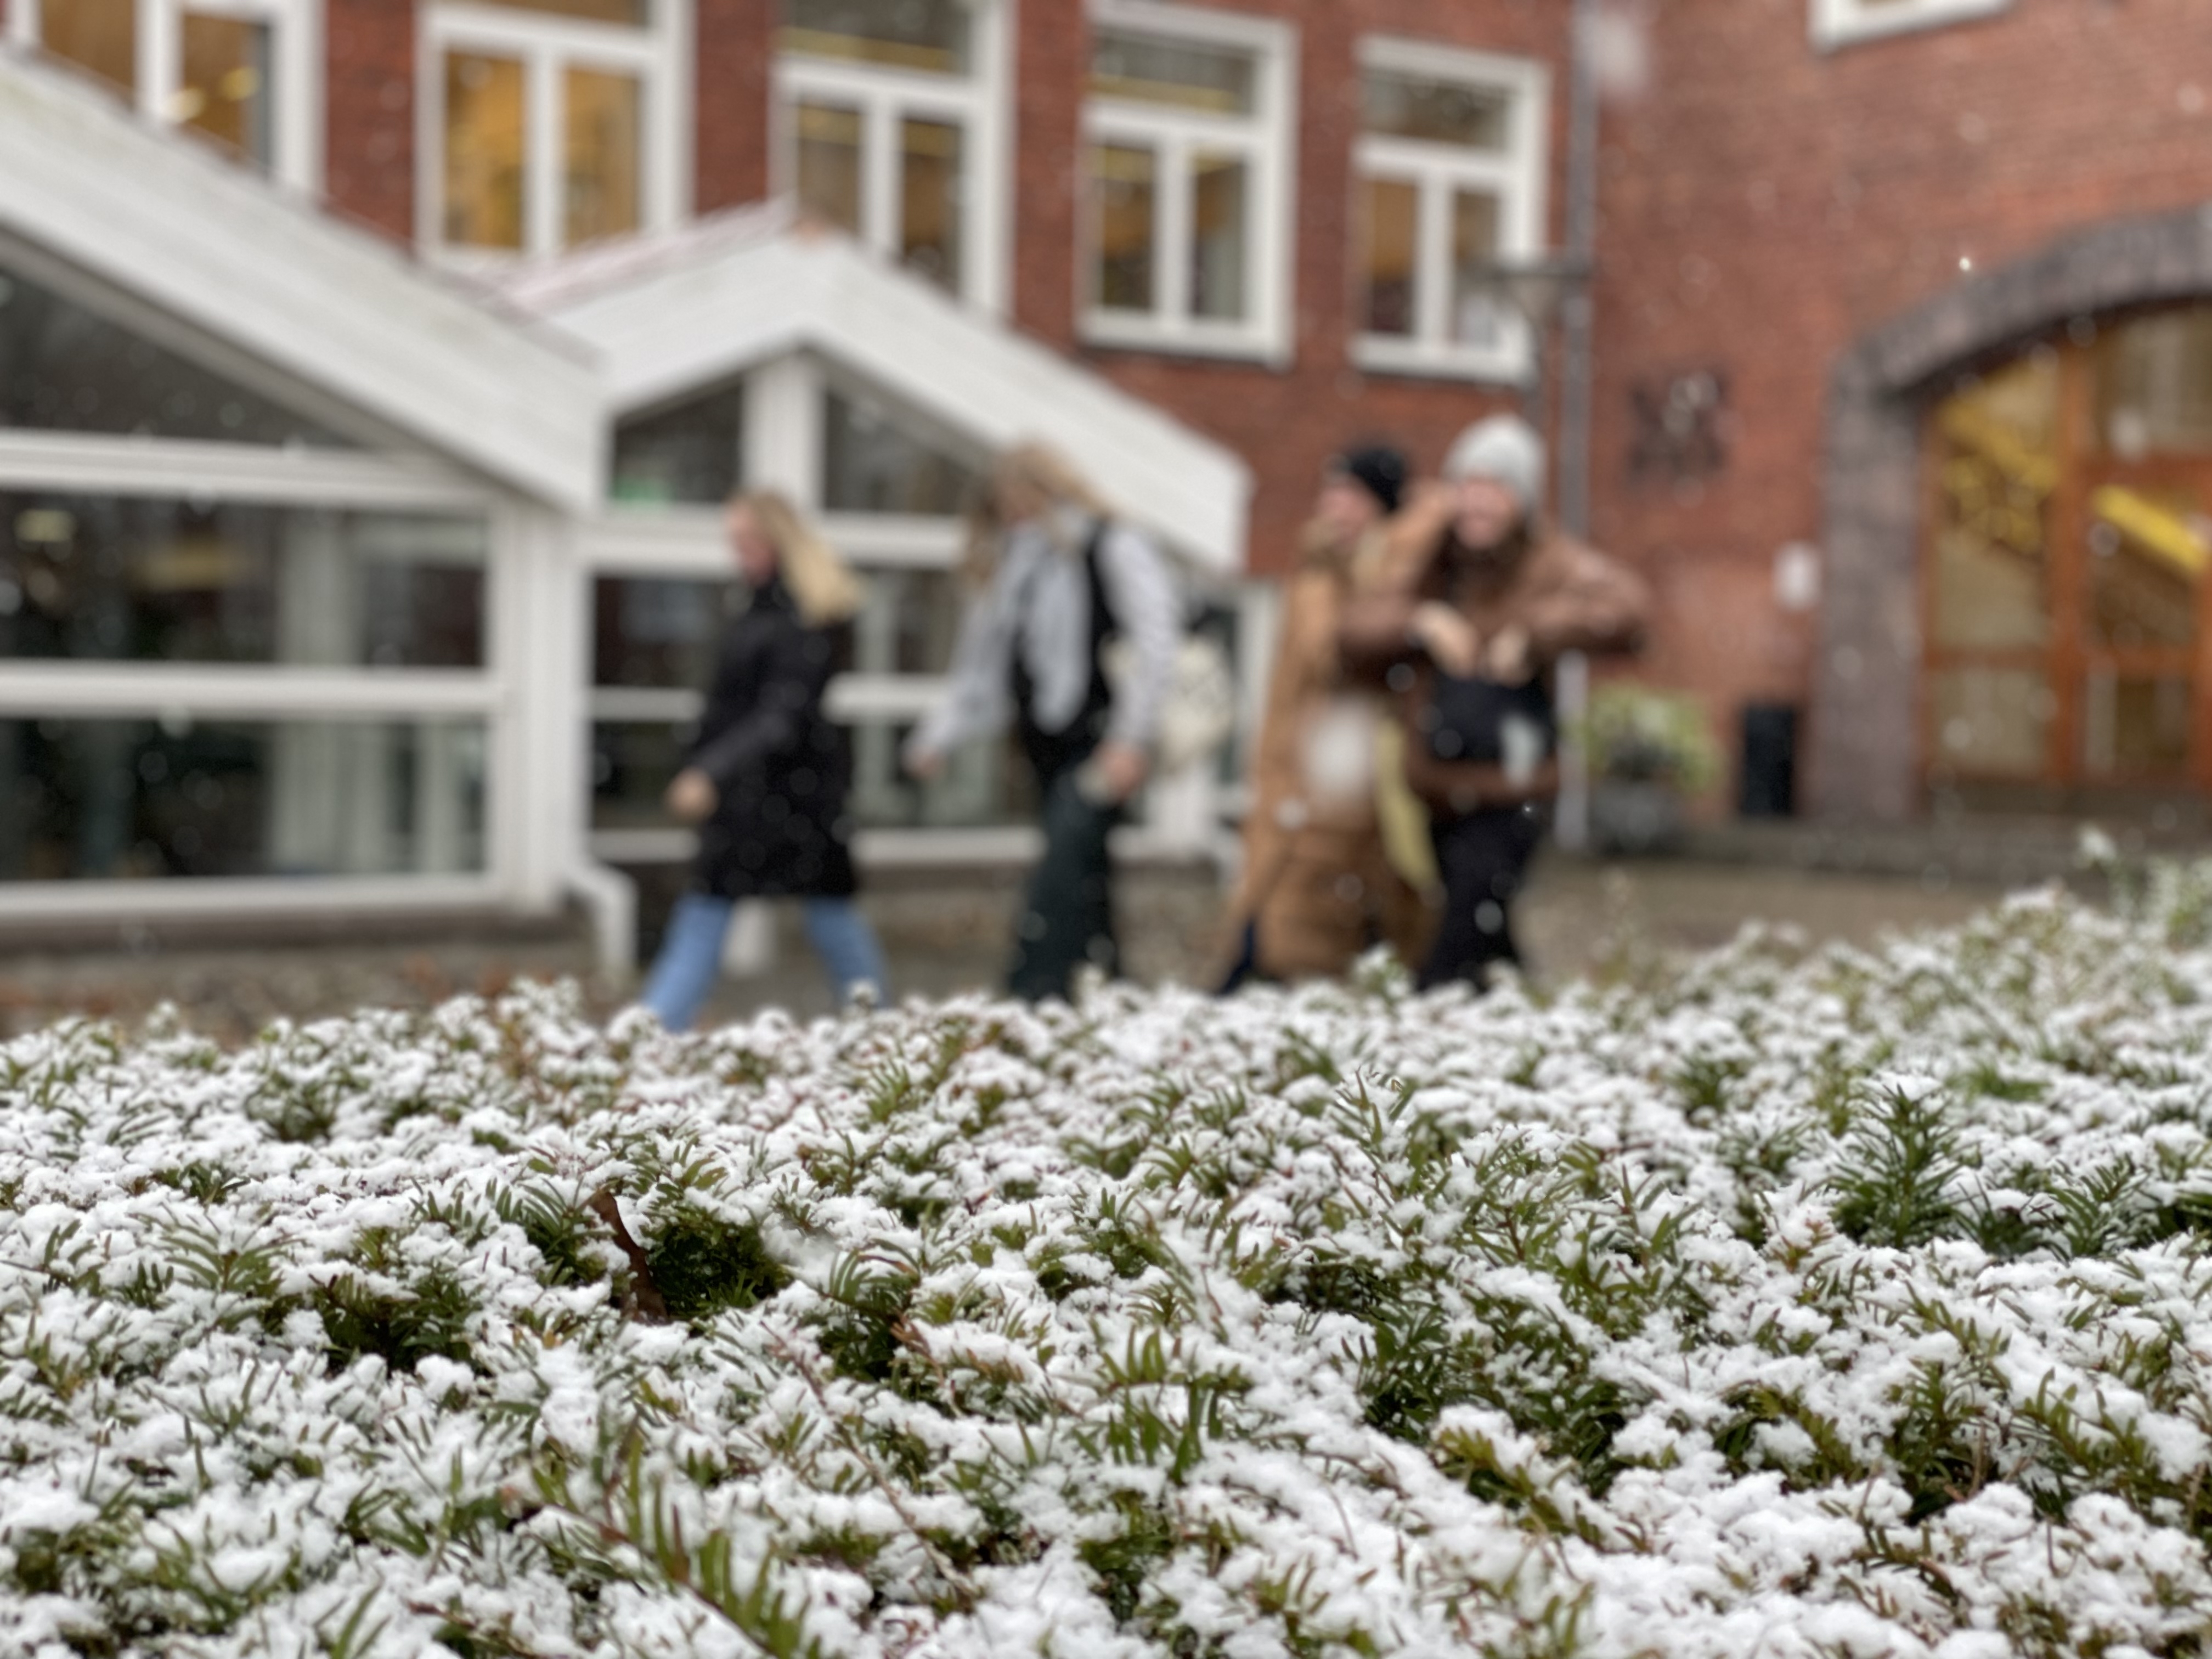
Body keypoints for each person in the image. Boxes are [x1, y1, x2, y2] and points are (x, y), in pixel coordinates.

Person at [1341, 414, 1649, 991]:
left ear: (1522, 500)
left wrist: (1534, 635)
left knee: (1457, 941)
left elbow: (1629, 610)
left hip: (1514, 788)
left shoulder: (1551, 561)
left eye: (1497, 486)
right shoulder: (1434, 562)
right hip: (1438, 780)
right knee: (1487, 936)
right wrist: (1421, 622)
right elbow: (1355, 628)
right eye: (1470, 484)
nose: (1480, 500)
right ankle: (1533, 1028)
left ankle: (1421, 1036)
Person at [903, 442, 1181, 1002]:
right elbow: (980, 668)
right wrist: (939, 736)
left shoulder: (1111, 544)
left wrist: (1130, 739)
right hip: (1044, 743)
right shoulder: (1014, 568)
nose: (1014, 517)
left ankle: (1031, 995)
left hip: (1102, 739)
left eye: (1019, 503)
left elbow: (1156, 641)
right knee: (1084, 874)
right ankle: (1110, 992)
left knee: (1062, 866)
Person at [640, 490, 889, 1029]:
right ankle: (653, 1033)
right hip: (755, 795)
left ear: (777, 540)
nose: (738, 552)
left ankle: (885, 1035)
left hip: (790, 796)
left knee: (826, 918)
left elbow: (782, 715)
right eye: (734, 541)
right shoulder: (755, 607)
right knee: (711, 914)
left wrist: (711, 769)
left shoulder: (803, 617)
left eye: (747, 540)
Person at [1219, 443, 1430, 988]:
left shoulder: (1399, 572)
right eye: (1331, 492)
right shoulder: (1317, 574)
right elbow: (1314, 662)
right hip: (1314, 761)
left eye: (1351, 495)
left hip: (1370, 761)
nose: (1334, 507)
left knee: (1367, 901)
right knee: (1291, 900)